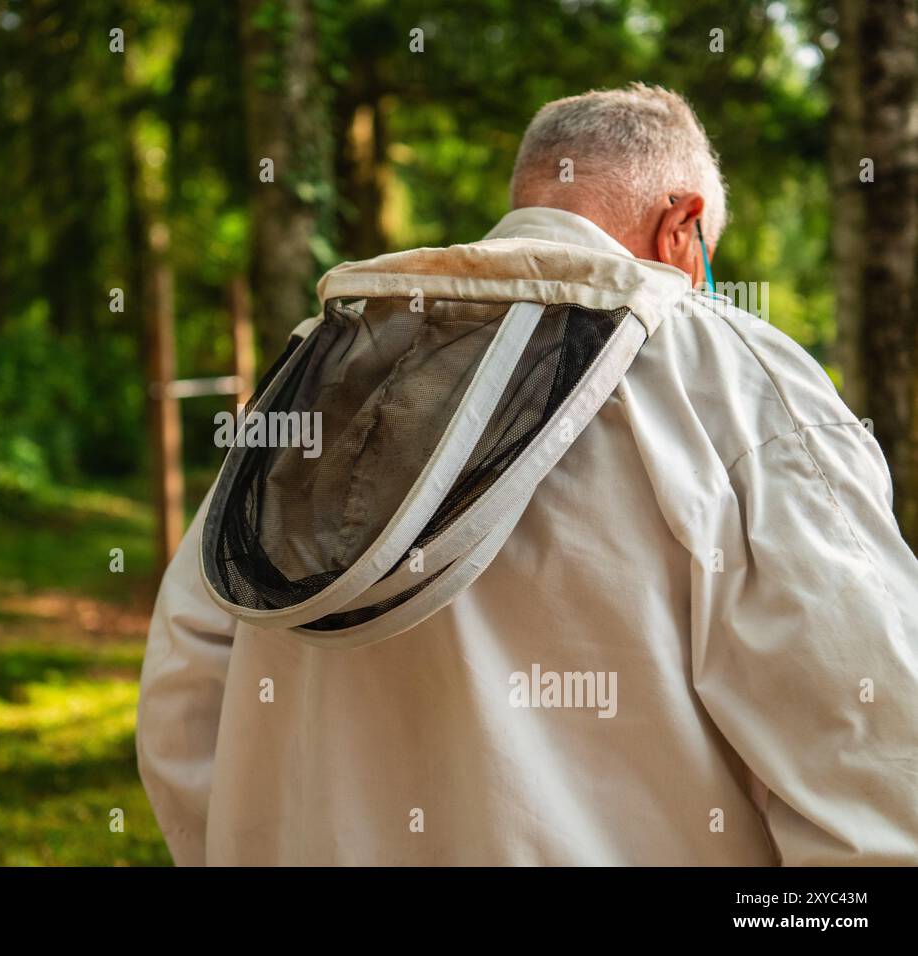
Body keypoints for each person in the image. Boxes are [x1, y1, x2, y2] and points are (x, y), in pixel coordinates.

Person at [136, 84, 918, 865]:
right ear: (682, 226)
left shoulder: (331, 365)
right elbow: (872, 737)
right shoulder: (735, 377)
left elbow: (187, 675)